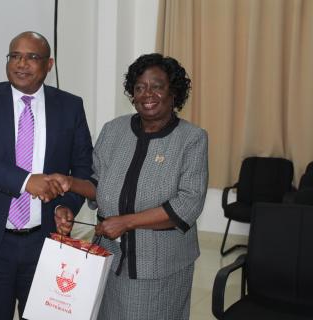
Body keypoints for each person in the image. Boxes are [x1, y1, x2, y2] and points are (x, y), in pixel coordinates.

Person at [51, 53, 208, 320]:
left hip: (158, 265)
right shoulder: (114, 130)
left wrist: (127, 222)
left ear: (174, 93)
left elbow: (187, 205)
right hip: (106, 257)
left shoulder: (191, 139)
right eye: (139, 87)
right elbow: (97, 184)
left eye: (157, 86)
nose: (147, 93)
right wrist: (70, 185)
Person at [0, 31, 93, 320]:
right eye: (15, 56)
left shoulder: (70, 106)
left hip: (46, 242)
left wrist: (64, 205)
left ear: (49, 64)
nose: (21, 64)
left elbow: (82, 169)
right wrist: (26, 181)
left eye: (32, 57)